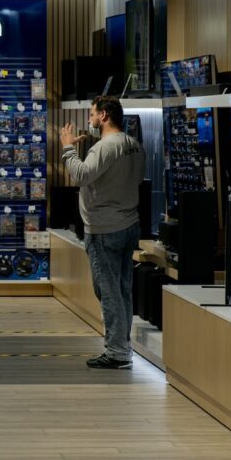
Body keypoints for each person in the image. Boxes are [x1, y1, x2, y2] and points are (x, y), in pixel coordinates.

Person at [60, 95, 145, 370]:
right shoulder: (134, 145)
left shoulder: (103, 148)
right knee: (122, 289)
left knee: (107, 290)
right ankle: (123, 346)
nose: (89, 119)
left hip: (104, 229)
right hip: (129, 225)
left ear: (104, 115)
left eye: (92, 113)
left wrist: (67, 150)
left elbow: (82, 175)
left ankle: (117, 351)